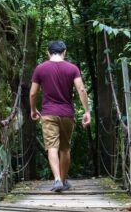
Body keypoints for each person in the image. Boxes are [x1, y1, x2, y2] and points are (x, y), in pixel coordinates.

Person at [29, 40, 91, 192]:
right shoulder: (72, 68)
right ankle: (63, 180)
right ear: (65, 52)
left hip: (48, 113)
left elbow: (32, 93)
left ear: (48, 52)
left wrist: (33, 109)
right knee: (65, 148)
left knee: (51, 146)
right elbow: (81, 89)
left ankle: (57, 179)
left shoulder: (40, 69)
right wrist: (87, 111)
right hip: (67, 114)